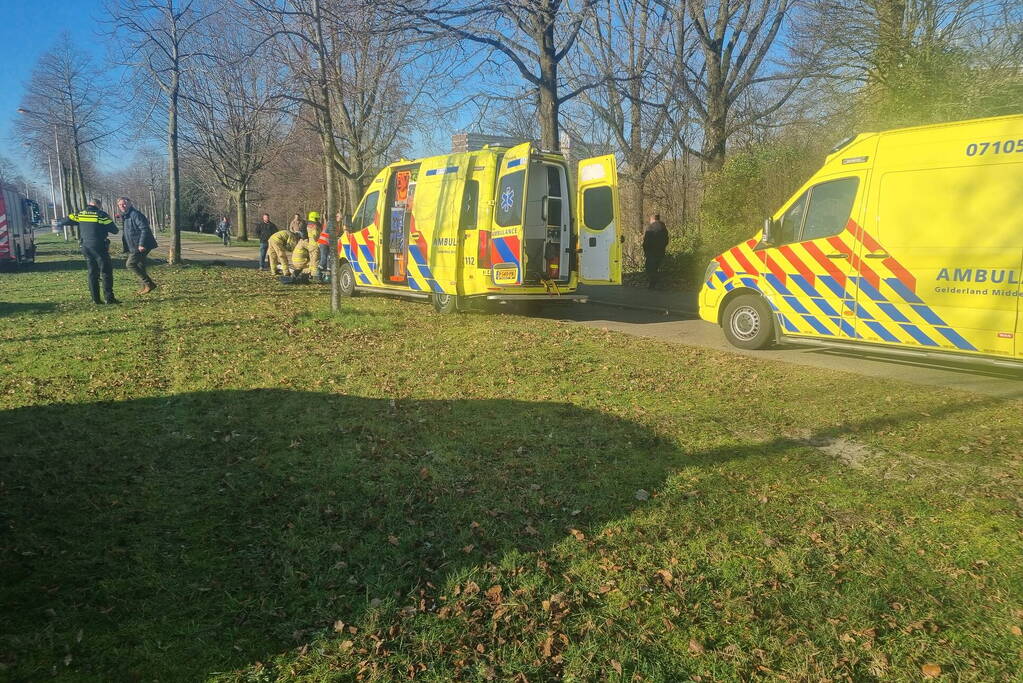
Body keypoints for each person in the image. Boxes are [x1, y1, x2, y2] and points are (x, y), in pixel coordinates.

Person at [60, 198, 120, 305]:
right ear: (99, 205)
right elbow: (115, 230)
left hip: (85, 247)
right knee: (106, 272)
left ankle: (95, 299)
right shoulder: (101, 215)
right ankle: (109, 298)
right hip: (99, 246)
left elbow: (64, 221)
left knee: (92, 273)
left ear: (89, 204)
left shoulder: (80, 214)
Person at [117, 197, 159, 294]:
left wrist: (141, 244)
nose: (122, 206)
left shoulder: (135, 214)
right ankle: (145, 287)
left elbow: (144, 229)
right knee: (140, 265)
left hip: (140, 246)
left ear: (129, 204)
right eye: (120, 204)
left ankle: (149, 284)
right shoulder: (126, 215)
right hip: (134, 245)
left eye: (124, 204)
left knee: (130, 264)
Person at [643, 213, 669, 290]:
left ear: (652, 219)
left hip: (651, 252)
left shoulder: (650, 228)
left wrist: (645, 250)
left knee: (650, 268)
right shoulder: (663, 228)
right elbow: (666, 240)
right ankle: (657, 284)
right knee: (657, 267)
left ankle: (652, 284)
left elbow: (647, 241)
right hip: (660, 251)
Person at [304, 211, 322, 280]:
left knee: (311, 260)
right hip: (315, 244)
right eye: (317, 218)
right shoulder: (315, 226)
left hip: (310, 245)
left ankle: (310, 274)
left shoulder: (309, 225)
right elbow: (315, 236)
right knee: (316, 260)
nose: (318, 220)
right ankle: (315, 276)